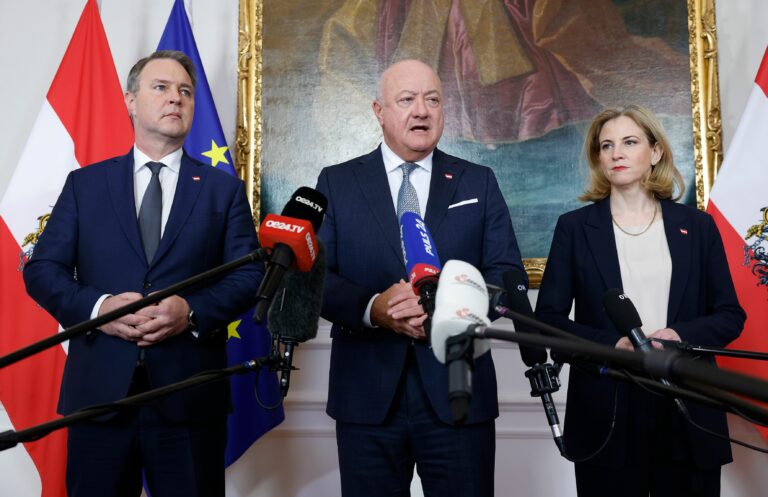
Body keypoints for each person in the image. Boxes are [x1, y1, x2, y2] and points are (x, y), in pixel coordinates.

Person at [23, 50, 262, 497]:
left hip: (189, 398)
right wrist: (100, 308)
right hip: (100, 398)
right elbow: (42, 270)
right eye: (162, 88)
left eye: (185, 92)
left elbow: (248, 277)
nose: (176, 99)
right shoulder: (86, 185)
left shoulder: (221, 190)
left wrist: (190, 310)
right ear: (130, 101)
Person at [315, 59, 524, 497]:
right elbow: (317, 281)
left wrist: (451, 305)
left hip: (458, 393)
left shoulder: (478, 182)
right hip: (367, 397)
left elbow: (507, 274)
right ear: (379, 111)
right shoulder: (337, 183)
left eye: (432, 100)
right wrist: (374, 308)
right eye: (406, 100)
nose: (421, 111)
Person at [535, 105, 745, 497]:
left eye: (630, 142)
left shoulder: (697, 227)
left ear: (655, 152)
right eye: (606, 145)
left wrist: (676, 335)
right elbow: (548, 319)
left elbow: (730, 315)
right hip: (607, 406)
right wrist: (612, 346)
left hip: (688, 404)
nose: (616, 153)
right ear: (598, 158)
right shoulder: (575, 228)